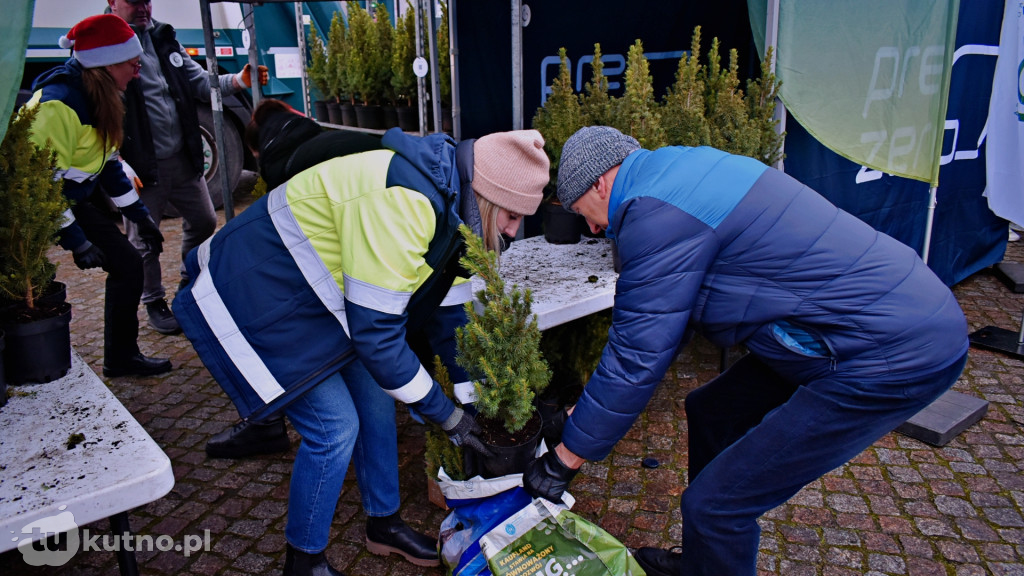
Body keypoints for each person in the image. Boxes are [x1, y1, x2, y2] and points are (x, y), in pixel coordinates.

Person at [522, 126, 969, 576]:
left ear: (600, 182)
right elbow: (663, 329)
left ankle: (713, 543)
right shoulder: (676, 172)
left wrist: (566, 458)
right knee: (711, 410)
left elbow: (637, 352)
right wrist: (587, 413)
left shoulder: (654, 213)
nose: (596, 228)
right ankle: (705, 563)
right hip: (880, 316)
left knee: (715, 508)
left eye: (585, 214)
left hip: (890, 351)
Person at [173, 127, 550, 576]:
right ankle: (304, 559)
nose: (511, 230)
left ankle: (383, 525)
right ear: (487, 195)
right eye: (510, 215)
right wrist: (447, 416)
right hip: (258, 293)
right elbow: (378, 336)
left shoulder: (454, 205)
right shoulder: (407, 202)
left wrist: (476, 404)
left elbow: (451, 317)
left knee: (375, 401)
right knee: (334, 429)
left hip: (316, 301)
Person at [204, 98, 386, 458]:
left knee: (333, 422)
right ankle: (383, 508)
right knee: (369, 375)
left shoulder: (278, 162)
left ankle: (266, 422)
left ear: (254, 149)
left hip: (343, 270)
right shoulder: (318, 134)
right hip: (372, 246)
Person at [107, 0, 268, 335]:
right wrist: (116, 160)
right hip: (141, 165)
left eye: (147, 1)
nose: (143, 7)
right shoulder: (104, 42)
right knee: (144, 238)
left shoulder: (164, 38)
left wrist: (239, 80)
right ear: (112, 2)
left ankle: (187, 283)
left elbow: (200, 83)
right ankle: (153, 301)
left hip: (182, 157)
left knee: (204, 220)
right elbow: (95, 111)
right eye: (134, 1)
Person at [24, 14, 172, 378]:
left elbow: (107, 166)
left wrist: (140, 218)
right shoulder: (59, 105)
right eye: (132, 65)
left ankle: (120, 358)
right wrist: (77, 241)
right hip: (33, 205)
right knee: (24, 288)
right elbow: (42, 184)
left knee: (127, 263)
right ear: (105, 66)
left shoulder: (103, 97)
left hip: (68, 198)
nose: (137, 73)